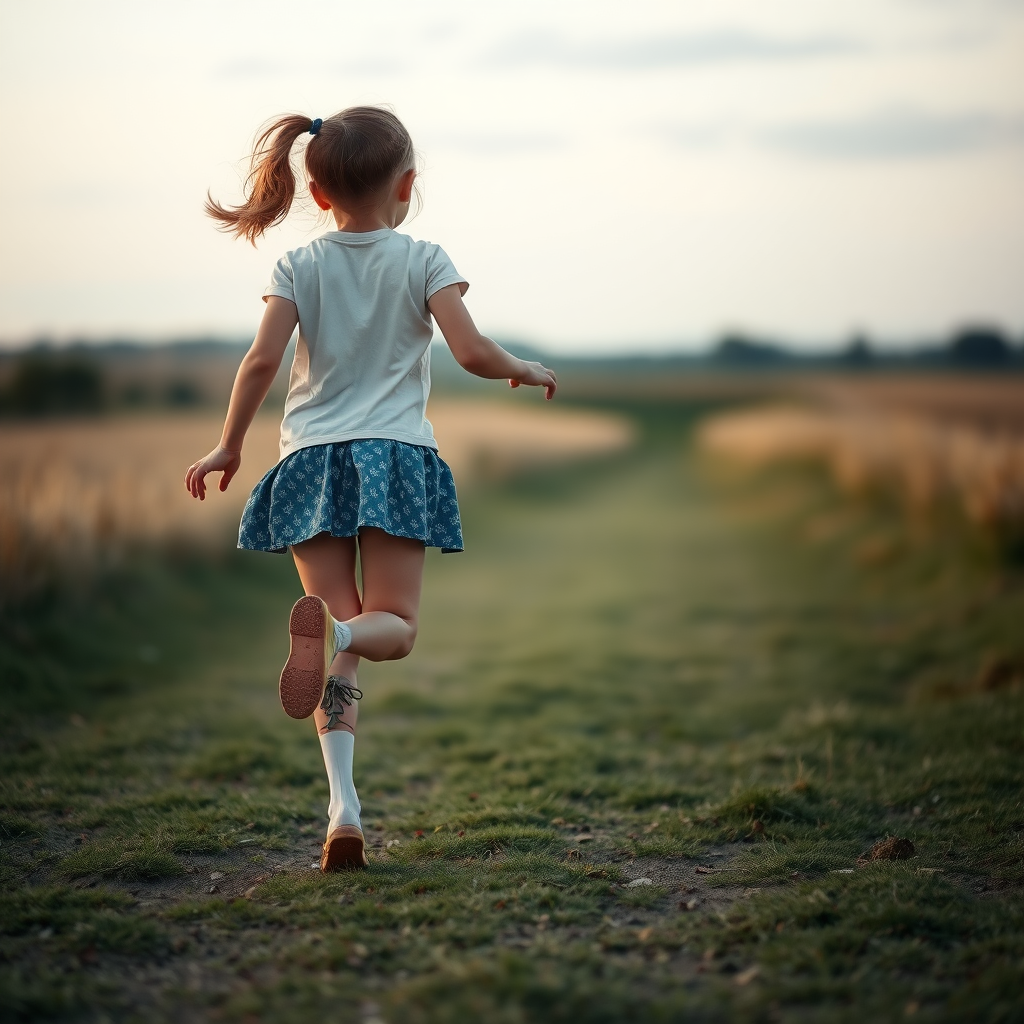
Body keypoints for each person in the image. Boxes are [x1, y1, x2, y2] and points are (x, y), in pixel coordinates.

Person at [184, 107, 557, 872]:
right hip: (392, 459)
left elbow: (259, 364)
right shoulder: (422, 258)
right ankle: (343, 637)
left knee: (333, 645)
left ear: (316, 194)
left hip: (311, 463)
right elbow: (471, 350)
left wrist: (228, 444)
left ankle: (342, 809)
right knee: (389, 631)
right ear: (408, 185)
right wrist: (524, 367)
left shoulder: (297, 267)